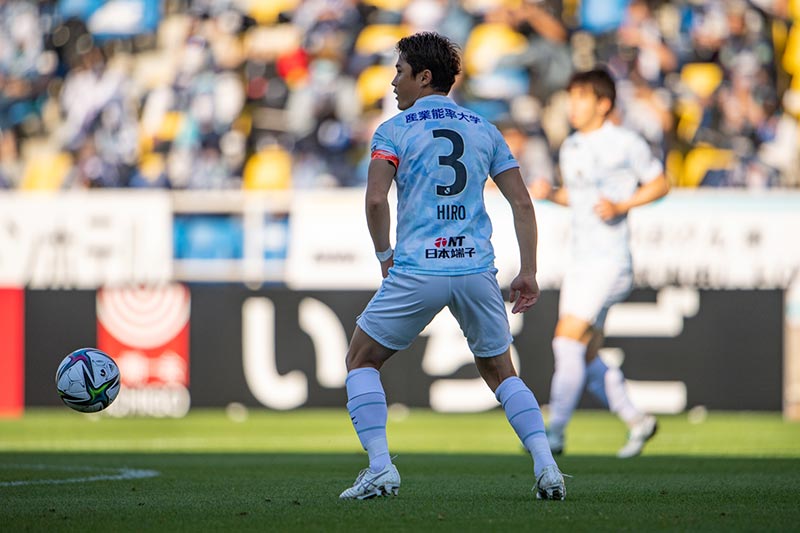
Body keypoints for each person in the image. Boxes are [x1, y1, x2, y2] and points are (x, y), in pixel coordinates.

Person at [339, 32, 566, 501]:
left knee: (361, 360)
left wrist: (384, 256)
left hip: (418, 269)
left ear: (424, 77)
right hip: (475, 269)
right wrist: (528, 270)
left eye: (399, 72)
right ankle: (547, 467)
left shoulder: (393, 131)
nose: (393, 82)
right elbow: (523, 204)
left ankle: (380, 468)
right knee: (502, 372)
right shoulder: (484, 128)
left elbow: (377, 199)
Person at [531, 68, 670, 458]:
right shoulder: (571, 145)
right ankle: (637, 421)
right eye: (571, 98)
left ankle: (555, 433)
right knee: (585, 354)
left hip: (610, 261)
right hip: (581, 261)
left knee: (565, 340)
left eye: (580, 98)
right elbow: (577, 198)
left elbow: (661, 183)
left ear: (603, 103)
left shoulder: (626, 142)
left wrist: (622, 205)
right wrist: (550, 194)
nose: (572, 106)